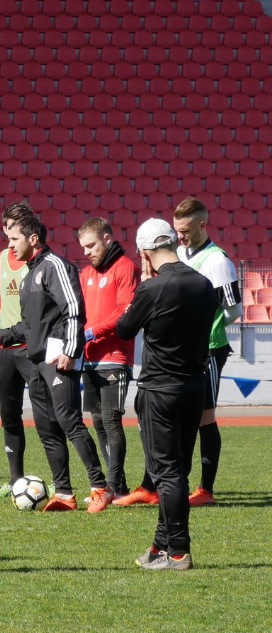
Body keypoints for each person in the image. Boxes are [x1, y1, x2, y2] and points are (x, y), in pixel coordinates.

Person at [0, 214, 109, 511]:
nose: (10, 245)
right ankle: (65, 494)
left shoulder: (56, 266)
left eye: (14, 239)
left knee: (70, 421)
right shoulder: (31, 274)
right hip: (38, 361)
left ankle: (99, 488)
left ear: (33, 239)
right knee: (46, 427)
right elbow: (28, 328)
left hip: (59, 358)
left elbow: (74, 310)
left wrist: (71, 350)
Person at [116, 218, 217, 570]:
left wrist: (141, 292)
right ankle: (161, 546)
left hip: (160, 388)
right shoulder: (204, 284)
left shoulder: (153, 288)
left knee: (167, 474)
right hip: (194, 385)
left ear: (145, 252)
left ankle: (178, 552)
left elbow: (125, 328)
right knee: (177, 471)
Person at [172, 197, 241, 507]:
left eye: (185, 230)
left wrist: (206, 328)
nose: (180, 236)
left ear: (202, 225)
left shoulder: (218, 261)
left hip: (209, 350)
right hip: (181, 348)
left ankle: (206, 489)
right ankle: (176, 483)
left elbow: (233, 310)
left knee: (204, 416)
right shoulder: (180, 253)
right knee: (181, 416)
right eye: (177, 230)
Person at [0, 201, 48, 498]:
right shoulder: (0, 259)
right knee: (9, 414)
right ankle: (15, 480)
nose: (5, 232)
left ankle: (60, 479)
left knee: (46, 415)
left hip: (33, 349)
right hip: (6, 348)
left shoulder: (43, 263)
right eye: (4, 227)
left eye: (9, 227)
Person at [76, 217, 138, 509]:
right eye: (83, 247)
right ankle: (120, 486)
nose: (87, 251)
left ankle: (111, 485)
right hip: (90, 358)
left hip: (115, 356)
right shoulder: (86, 272)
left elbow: (123, 310)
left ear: (107, 238)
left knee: (112, 421)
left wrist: (92, 331)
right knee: (99, 423)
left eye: (91, 245)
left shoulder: (125, 267)